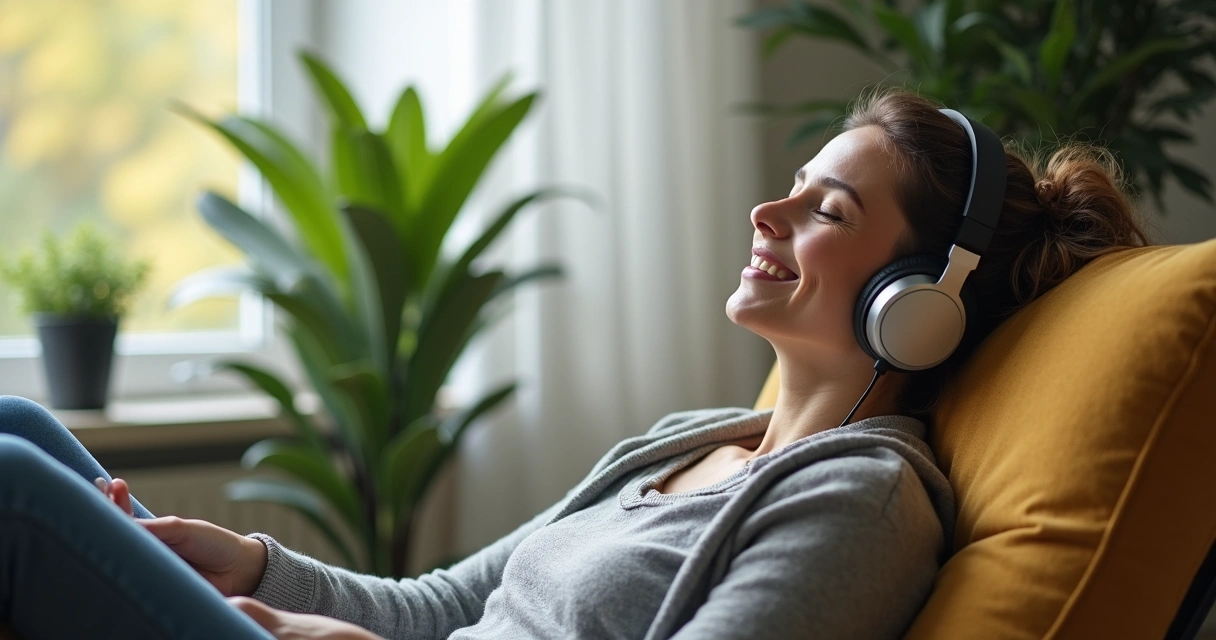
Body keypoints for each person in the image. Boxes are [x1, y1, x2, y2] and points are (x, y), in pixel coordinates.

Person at [0, 88, 1151, 640]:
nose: (768, 211)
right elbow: (446, 605)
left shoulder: (860, 501)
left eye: (826, 208)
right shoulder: (690, 440)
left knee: (12, 489)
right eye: (791, 186)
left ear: (920, 306)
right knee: (26, 429)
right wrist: (253, 563)